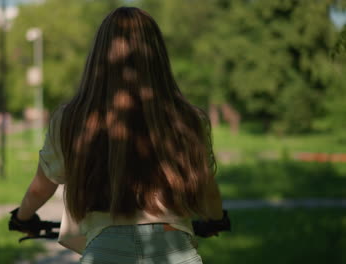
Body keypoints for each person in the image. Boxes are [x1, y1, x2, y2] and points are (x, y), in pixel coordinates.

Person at [14, 6, 224, 264]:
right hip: (175, 249)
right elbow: (209, 193)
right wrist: (216, 219)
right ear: (157, 56)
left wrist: (22, 217)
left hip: (104, 251)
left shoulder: (71, 120)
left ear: (99, 57)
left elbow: (39, 189)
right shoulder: (187, 119)